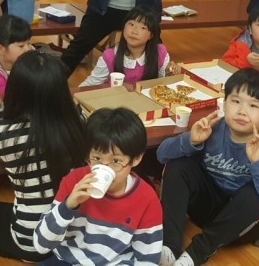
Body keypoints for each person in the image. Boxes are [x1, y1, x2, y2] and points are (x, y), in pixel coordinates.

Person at [0, 51, 87, 262]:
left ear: (15, 90)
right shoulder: (79, 119)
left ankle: (32, 255)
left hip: (35, 241)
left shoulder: (4, 135)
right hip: (77, 232)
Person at [157, 68, 259, 266]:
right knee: (179, 163)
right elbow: (161, 155)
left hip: (243, 225)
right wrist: (190, 141)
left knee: (255, 195)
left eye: (253, 105)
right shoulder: (211, 128)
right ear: (224, 103)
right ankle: (169, 247)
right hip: (207, 210)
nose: (242, 111)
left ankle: (197, 253)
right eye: (236, 101)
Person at [34, 107, 163, 265]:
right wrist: (68, 206)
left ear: (136, 159)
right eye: (96, 158)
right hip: (69, 260)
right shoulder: (73, 181)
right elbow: (41, 245)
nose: (104, 168)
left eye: (116, 161)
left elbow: (148, 260)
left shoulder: (146, 199)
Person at [79, 6, 170, 86]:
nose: (134, 31)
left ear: (151, 35)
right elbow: (90, 84)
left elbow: (162, 82)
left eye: (143, 27)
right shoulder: (110, 56)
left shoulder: (160, 52)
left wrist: (170, 73)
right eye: (131, 24)